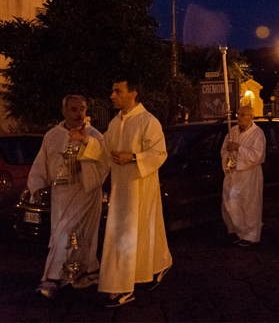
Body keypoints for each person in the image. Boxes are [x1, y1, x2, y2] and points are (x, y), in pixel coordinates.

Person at [28, 95, 110, 299]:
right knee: (60, 235)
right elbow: (42, 163)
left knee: (84, 235)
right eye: (74, 109)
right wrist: (37, 186)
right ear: (64, 111)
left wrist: (85, 142)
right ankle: (55, 277)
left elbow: (104, 158)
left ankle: (81, 272)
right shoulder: (52, 136)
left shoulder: (94, 135)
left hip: (87, 194)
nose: (79, 113)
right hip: (62, 196)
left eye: (82, 109)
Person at [99, 77, 172, 307]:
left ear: (132, 94)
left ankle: (121, 287)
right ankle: (160, 263)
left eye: (117, 91)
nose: (112, 96)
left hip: (140, 188)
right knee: (139, 234)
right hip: (121, 190)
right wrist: (85, 143)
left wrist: (133, 157)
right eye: (112, 91)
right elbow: (103, 150)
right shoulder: (114, 123)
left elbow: (159, 153)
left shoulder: (148, 121)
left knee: (128, 236)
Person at [221, 106, 266, 247]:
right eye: (238, 114)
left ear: (251, 117)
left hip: (249, 174)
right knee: (231, 202)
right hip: (233, 173)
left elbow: (256, 155)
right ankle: (234, 230)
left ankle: (250, 235)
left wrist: (238, 148)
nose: (239, 117)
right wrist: (227, 160)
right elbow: (223, 150)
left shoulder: (257, 133)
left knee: (249, 205)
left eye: (243, 115)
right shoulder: (232, 131)